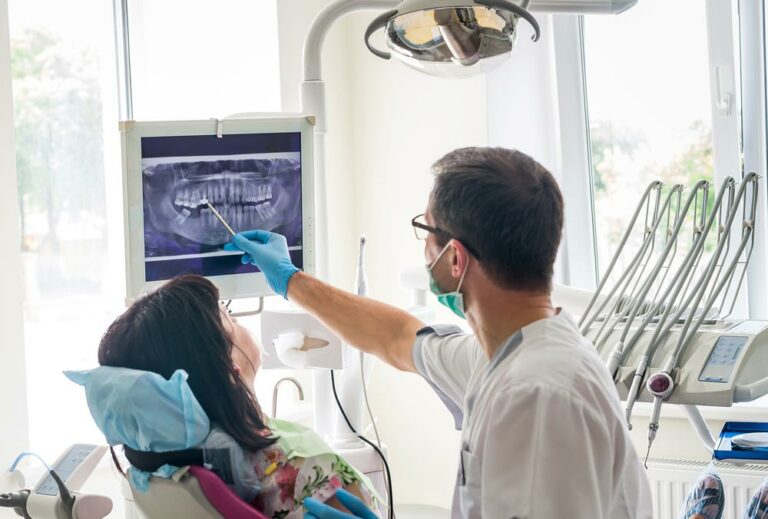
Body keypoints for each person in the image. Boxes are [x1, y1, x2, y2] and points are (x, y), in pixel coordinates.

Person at [226, 146, 654, 518]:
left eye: (426, 231)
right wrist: (289, 279)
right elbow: (396, 338)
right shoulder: (508, 353)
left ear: (455, 260)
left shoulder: (534, 396)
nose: (422, 246)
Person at [95, 274, 379, 519]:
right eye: (229, 318)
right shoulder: (305, 467)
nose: (239, 322)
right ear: (230, 368)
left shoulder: (162, 469)